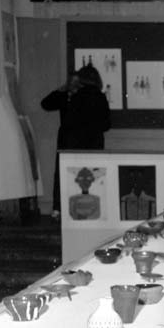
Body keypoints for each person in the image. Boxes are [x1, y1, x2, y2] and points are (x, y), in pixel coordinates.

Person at [41, 64, 111, 219]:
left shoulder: (72, 96)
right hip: (93, 143)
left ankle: (60, 209)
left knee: (66, 176)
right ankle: (92, 211)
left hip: (70, 142)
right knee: (93, 177)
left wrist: (63, 89)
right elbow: (107, 124)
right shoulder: (99, 96)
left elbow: (46, 105)